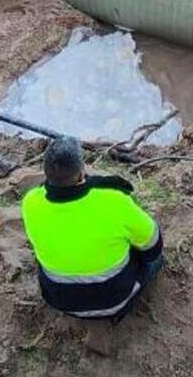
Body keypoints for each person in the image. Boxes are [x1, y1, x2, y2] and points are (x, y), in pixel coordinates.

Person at [21, 136, 163, 323]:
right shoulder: (114, 200)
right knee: (155, 256)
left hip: (60, 300)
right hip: (115, 299)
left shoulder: (31, 202)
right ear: (81, 172)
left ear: (45, 173)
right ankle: (111, 316)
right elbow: (153, 248)